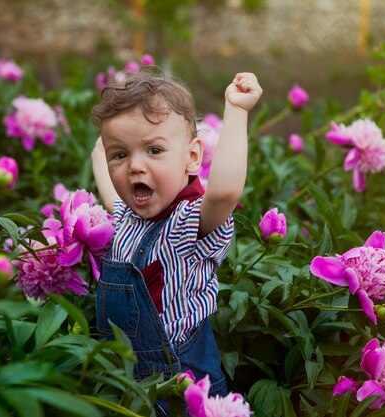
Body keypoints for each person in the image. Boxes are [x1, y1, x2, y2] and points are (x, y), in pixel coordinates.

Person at [91, 67, 262, 414]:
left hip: (184, 377)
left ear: (192, 157)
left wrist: (237, 111)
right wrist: (102, 150)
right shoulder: (126, 216)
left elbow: (225, 192)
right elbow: (110, 192)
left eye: (154, 150)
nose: (135, 166)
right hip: (123, 375)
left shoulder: (187, 224)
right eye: (120, 155)